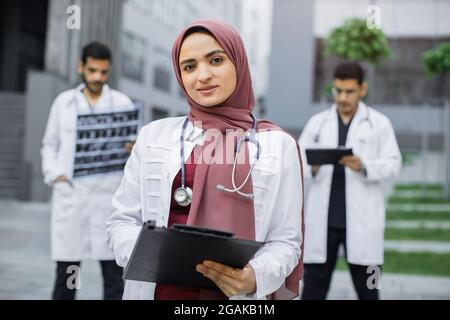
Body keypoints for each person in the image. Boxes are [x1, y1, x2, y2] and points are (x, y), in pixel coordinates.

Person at [107, 19, 304, 300]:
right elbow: (121, 221)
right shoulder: (154, 135)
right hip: (159, 291)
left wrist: (254, 277)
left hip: (234, 296)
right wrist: (154, 259)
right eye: (189, 66)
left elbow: (286, 241)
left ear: (238, 61)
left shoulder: (277, 144)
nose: (203, 75)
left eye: (215, 60)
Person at [299, 62, 402, 300]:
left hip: (364, 225)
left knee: (370, 290)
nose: (342, 97)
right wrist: (312, 167)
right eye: (338, 91)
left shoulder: (379, 124)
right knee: (312, 291)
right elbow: (298, 162)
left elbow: (393, 164)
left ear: (362, 89)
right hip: (324, 224)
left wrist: (364, 166)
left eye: (349, 91)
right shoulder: (317, 123)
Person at [41, 42, 133, 300]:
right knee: (67, 277)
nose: (97, 78)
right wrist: (55, 174)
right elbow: (50, 144)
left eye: (103, 72)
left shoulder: (121, 103)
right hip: (72, 197)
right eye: (92, 70)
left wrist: (132, 148)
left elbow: (135, 152)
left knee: (114, 280)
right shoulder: (64, 103)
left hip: (108, 199)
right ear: (81, 67)